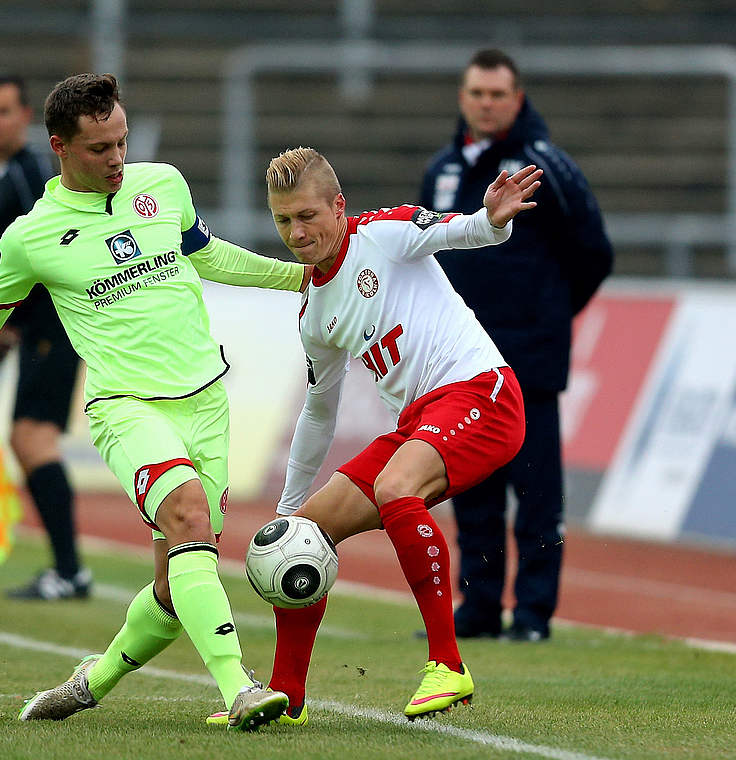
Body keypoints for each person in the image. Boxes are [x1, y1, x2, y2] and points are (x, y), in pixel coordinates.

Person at [0, 73, 312, 731]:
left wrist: (300, 276)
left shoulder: (162, 185)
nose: (117, 159)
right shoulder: (33, 236)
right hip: (126, 408)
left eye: (122, 141)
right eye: (100, 147)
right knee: (189, 514)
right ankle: (237, 688)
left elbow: (207, 256)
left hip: (206, 403)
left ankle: (91, 680)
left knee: (174, 586)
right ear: (60, 146)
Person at [222, 147, 539, 724]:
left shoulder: (385, 235)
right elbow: (319, 411)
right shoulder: (314, 312)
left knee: (397, 486)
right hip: (420, 419)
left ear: (339, 207)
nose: (297, 232)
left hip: (483, 394)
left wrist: (492, 219)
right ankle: (287, 695)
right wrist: (290, 510)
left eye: (308, 216)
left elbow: (465, 233)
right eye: (284, 220)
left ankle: (447, 665)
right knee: (311, 528)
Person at [421, 49, 613, 642]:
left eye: (498, 94)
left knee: (534, 496)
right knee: (472, 498)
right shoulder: (443, 170)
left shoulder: (545, 166)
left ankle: (532, 616)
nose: (486, 103)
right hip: (461, 366)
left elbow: (594, 253)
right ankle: (477, 612)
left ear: (518, 98)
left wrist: (548, 318)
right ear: (462, 98)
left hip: (529, 361)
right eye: (477, 92)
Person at [0, 73, 91, 601]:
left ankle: (69, 571)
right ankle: (67, 568)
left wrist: (8, 319)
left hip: (54, 327)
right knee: (27, 440)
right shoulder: (15, 175)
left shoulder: (26, 179)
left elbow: (44, 256)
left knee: (32, 439)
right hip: (42, 327)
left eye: (2, 112)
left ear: (25, 117)